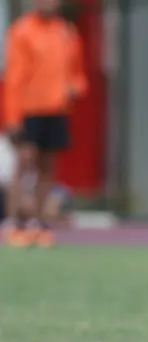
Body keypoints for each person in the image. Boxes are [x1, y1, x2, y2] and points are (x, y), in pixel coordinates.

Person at [2, 0, 86, 248]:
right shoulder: (22, 31)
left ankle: (39, 225)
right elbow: (14, 77)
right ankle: (16, 224)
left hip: (56, 109)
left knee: (48, 169)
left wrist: (76, 87)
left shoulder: (67, 32)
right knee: (25, 164)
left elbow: (77, 73)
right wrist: (12, 117)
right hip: (29, 110)